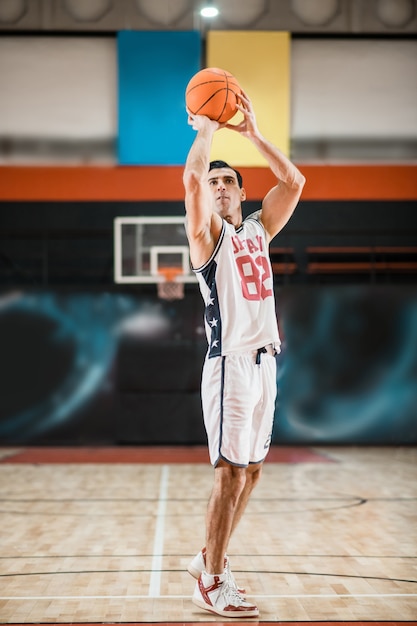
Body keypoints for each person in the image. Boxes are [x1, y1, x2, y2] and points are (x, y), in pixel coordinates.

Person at [183, 90, 305, 618]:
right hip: (231, 363)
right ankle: (211, 582)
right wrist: (205, 126)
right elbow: (191, 180)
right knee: (229, 473)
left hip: (266, 362)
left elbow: (295, 182)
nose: (217, 187)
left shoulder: (258, 228)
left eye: (227, 180)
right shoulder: (205, 236)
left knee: (252, 472)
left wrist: (252, 131)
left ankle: (209, 557)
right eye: (212, 183)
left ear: (240, 190)